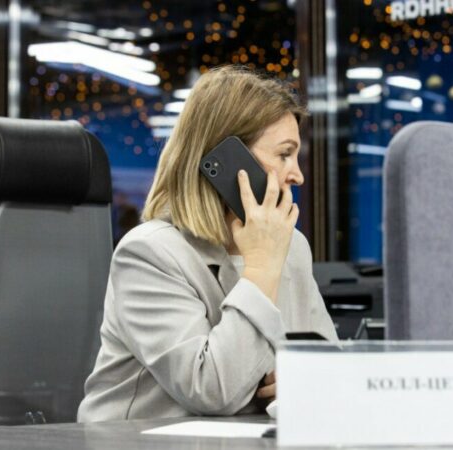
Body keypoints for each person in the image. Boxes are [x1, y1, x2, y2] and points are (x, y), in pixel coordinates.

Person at [78, 66, 338, 422]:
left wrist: (305, 381)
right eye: (284, 155)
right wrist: (262, 266)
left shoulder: (292, 247)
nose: (298, 175)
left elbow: (330, 370)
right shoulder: (149, 254)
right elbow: (212, 391)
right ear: (229, 162)